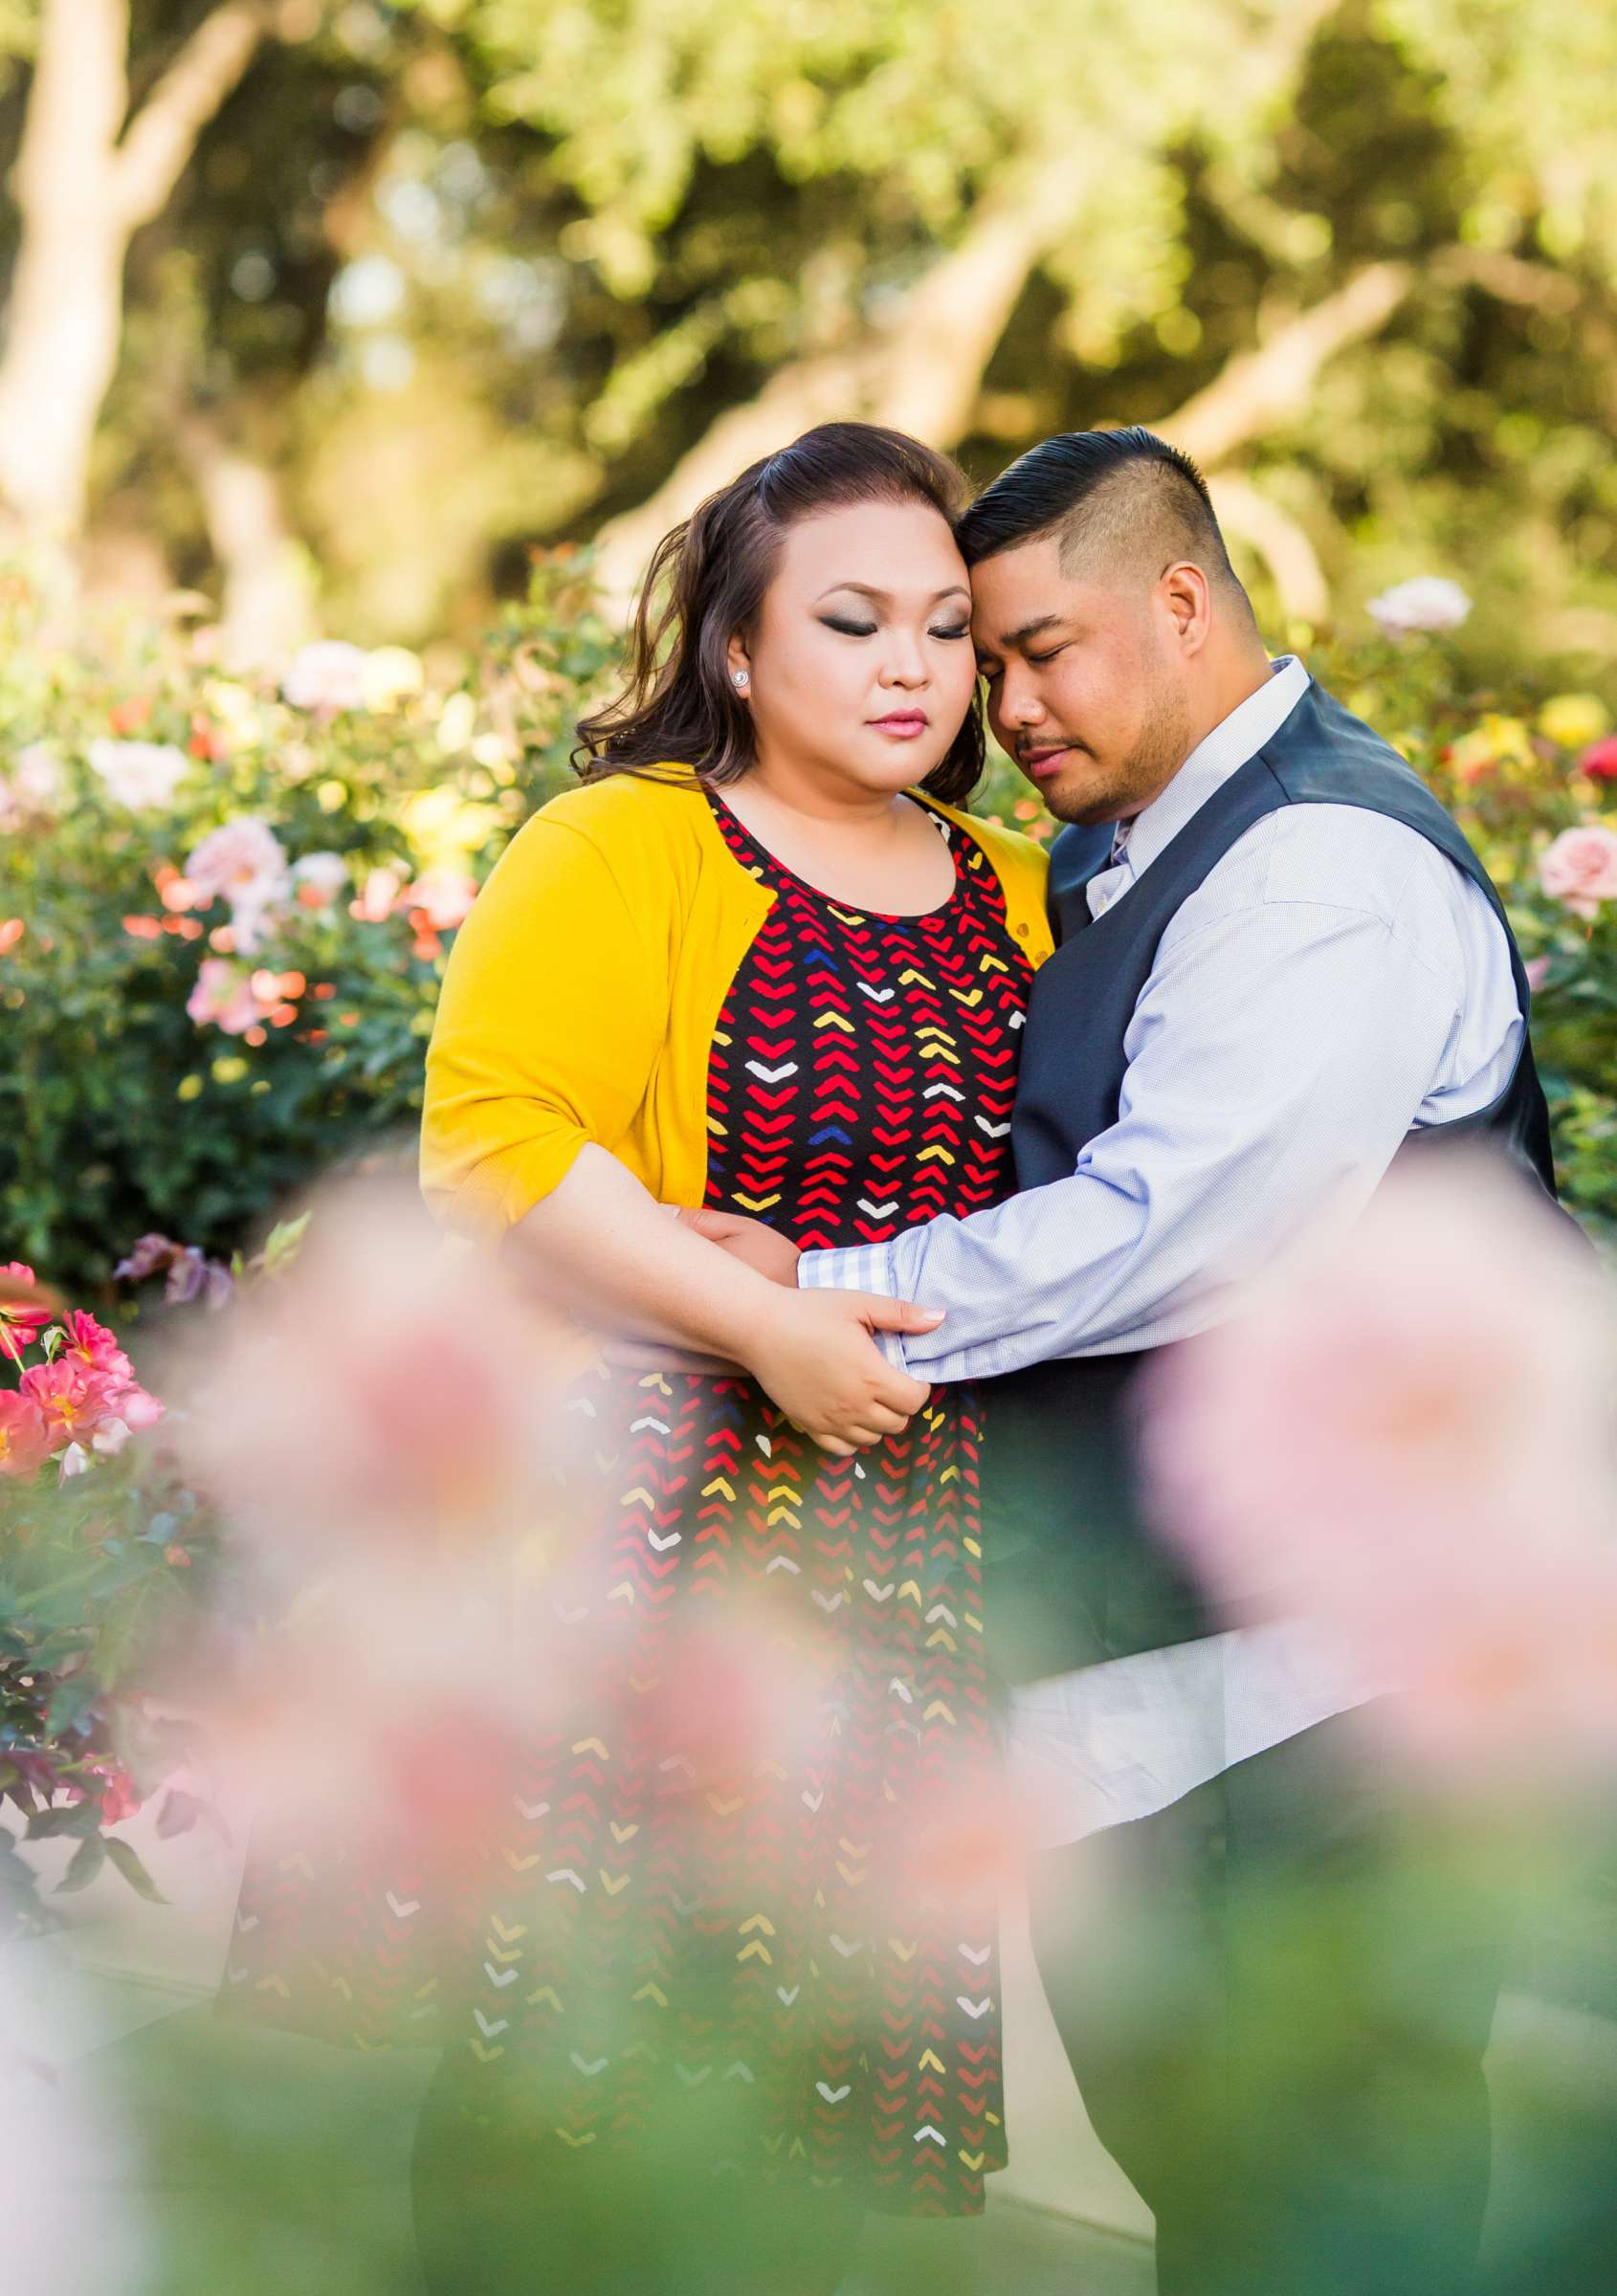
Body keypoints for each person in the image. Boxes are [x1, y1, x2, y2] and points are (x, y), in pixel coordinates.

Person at [688, 428, 1561, 2296]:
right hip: (1175, 1666)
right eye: (974, 657)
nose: (997, 703)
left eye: (1033, 648)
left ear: (1179, 603)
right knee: (1209, 2187)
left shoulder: (1314, 867)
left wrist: (806, 1293)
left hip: (1319, 1686)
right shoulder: (1135, 843)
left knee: (1325, 2209)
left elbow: (1177, 1225)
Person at [410, 422, 1053, 2292]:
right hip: (641, 1534)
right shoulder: (624, 848)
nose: (910, 669)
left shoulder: (1013, 888)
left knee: (821, 2088)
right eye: (850, 621)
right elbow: (495, 1142)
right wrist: (764, 1324)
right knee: (573, 2046)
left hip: (904, 1560)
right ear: (738, 650)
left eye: (946, 629)